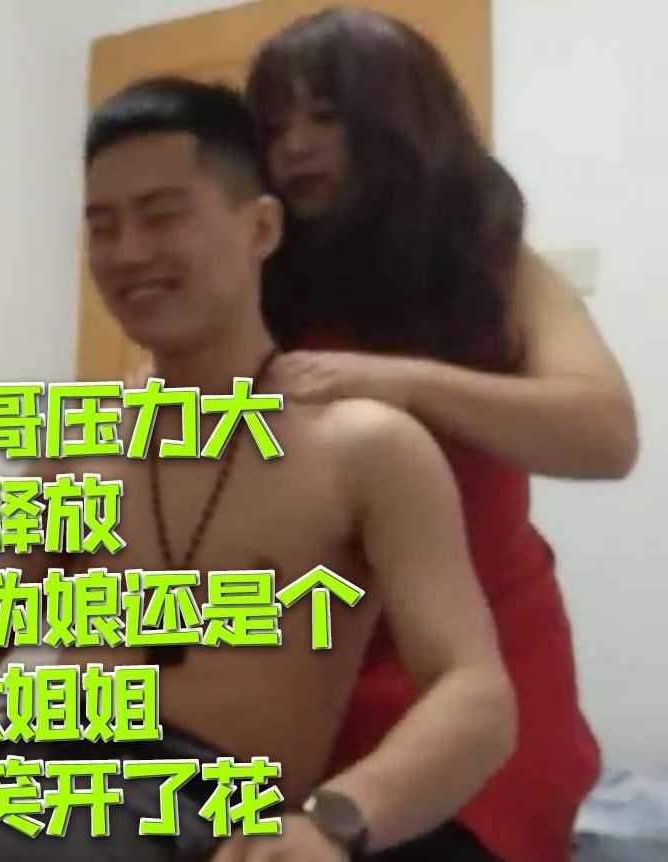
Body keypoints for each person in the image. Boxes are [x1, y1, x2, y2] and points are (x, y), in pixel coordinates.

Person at [0, 76, 516, 862]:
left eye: (162, 216)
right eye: (103, 227)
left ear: (260, 228)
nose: (129, 253)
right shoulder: (74, 444)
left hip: (189, 794)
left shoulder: (366, 447)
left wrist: (335, 821)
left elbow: (475, 692)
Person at [238, 8, 640, 862]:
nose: (295, 147)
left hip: (479, 682)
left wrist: (407, 383)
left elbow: (606, 435)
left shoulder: (493, 265)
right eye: (273, 129)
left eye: (325, 117)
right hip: (309, 676)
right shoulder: (262, 280)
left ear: (398, 118)